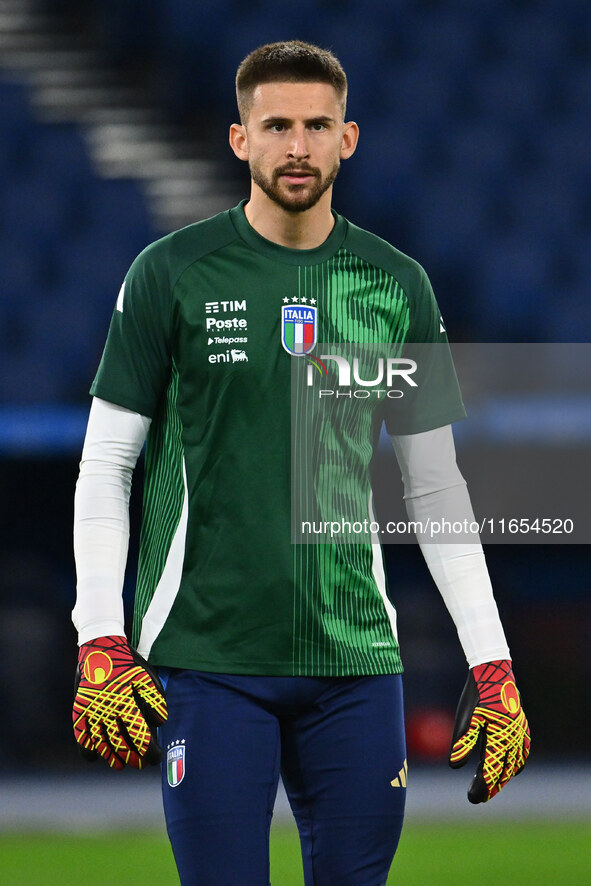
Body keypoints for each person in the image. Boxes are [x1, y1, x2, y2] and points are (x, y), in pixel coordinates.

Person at [71, 40, 530, 886]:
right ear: (238, 139)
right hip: (207, 660)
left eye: (316, 125)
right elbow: (105, 469)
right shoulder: (170, 275)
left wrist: (491, 662)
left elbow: (435, 489)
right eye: (275, 125)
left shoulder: (396, 285)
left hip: (355, 663)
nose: (296, 145)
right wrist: (99, 633)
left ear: (347, 139)